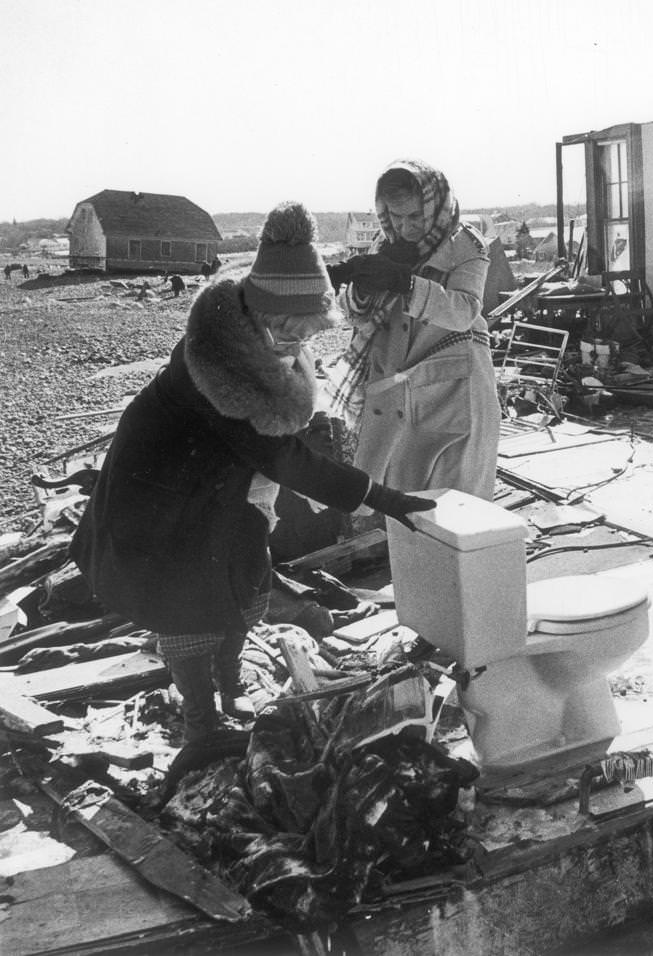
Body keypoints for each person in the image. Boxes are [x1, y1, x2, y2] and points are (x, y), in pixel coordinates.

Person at [70, 201, 435, 743]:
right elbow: (282, 456)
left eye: (305, 338)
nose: (297, 347)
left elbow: (277, 441)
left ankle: (231, 683)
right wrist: (380, 496)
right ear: (262, 317)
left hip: (215, 486)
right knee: (187, 605)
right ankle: (202, 726)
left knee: (242, 581)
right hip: (162, 494)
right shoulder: (220, 369)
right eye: (289, 336)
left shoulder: (254, 330)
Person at [327, 159, 500, 504]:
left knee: (457, 508)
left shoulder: (465, 244)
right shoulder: (384, 244)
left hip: (453, 394)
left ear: (434, 207)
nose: (405, 228)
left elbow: (464, 310)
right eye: (396, 217)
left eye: (415, 217)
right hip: (396, 394)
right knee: (403, 505)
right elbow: (356, 316)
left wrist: (406, 284)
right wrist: (361, 285)